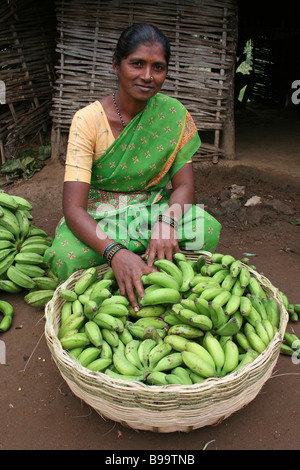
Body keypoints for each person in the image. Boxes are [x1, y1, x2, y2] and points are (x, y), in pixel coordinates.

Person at [44, 23, 221, 311]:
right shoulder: (87, 121)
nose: (148, 76)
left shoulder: (175, 116)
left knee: (207, 229)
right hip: (99, 216)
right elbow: (73, 208)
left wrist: (168, 222)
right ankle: (134, 265)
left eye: (158, 67)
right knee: (67, 255)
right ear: (116, 65)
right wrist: (114, 252)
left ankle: (142, 270)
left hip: (150, 210)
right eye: (137, 64)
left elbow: (185, 187)